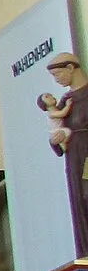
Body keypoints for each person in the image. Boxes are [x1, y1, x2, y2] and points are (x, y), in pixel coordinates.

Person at [41, 52, 88, 259]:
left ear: (71, 68)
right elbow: (58, 128)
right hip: (75, 154)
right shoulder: (65, 100)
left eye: (59, 73)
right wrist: (57, 139)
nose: (57, 79)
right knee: (80, 198)